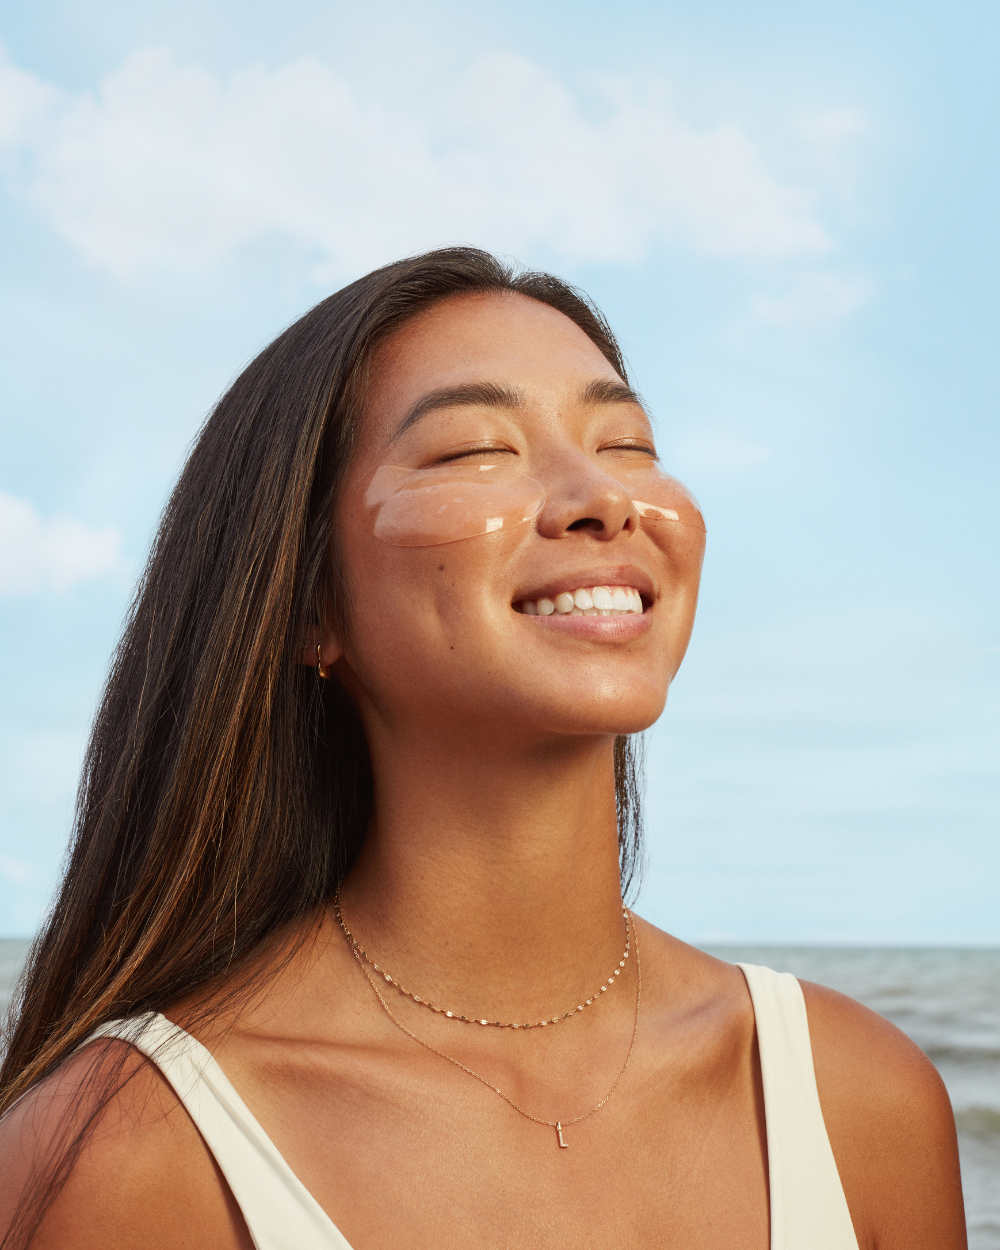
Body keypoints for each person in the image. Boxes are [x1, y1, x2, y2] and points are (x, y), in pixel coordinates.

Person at [0, 248, 965, 1249]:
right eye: (475, 449)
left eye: (626, 442)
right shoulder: (128, 1156)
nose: (603, 495)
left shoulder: (860, 1102)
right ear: (309, 603)